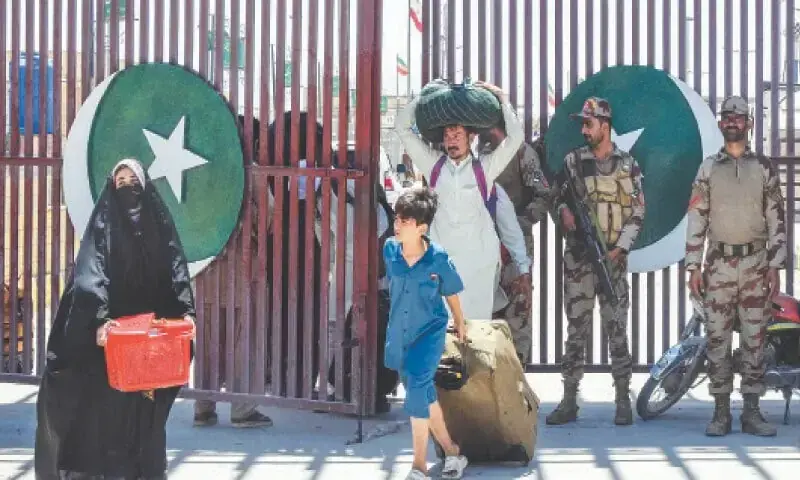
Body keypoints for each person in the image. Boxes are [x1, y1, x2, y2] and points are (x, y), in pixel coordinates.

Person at [35, 159, 197, 479]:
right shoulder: (103, 225)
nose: (127, 187)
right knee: (103, 414)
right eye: (120, 181)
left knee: (145, 415)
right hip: (111, 339)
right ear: (111, 187)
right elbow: (90, 273)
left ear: (145, 186)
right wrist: (99, 320)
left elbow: (174, 267)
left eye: (132, 181)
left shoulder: (159, 223)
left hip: (149, 342)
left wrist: (186, 314)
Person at [686, 95, 786, 437]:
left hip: (757, 264)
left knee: (754, 339)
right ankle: (720, 413)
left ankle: (752, 412)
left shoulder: (764, 168)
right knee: (717, 338)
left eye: (738, 117)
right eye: (727, 117)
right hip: (719, 266)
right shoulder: (708, 168)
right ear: (721, 124)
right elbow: (697, 217)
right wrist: (692, 266)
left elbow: (776, 218)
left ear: (749, 124)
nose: (732, 122)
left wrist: (776, 264)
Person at [545, 97, 645, 426]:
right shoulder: (574, 161)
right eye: (582, 124)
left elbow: (637, 213)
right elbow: (556, 196)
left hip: (613, 261)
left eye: (589, 123)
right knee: (576, 331)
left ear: (605, 125)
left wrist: (621, 248)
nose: (584, 129)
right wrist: (563, 213)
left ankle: (622, 400)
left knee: (617, 330)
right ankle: (570, 399)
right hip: (578, 259)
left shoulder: (628, 164)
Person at [395, 82, 524, 320]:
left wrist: (503, 101)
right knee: (442, 336)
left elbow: (516, 137)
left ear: (471, 137)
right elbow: (401, 127)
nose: (451, 141)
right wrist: (423, 96)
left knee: (476, 336)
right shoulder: (433, 166)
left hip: (479, 268)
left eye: (457, 135)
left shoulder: (484, 169)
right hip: (442, 266)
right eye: (447, 136)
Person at [384, 187, 469, 480]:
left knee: (418, 390)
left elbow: (452, 292)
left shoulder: (438, 259)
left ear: (421, 228)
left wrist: (460, 322)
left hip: (429, 333)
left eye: (404, 221)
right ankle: (453, 451)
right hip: (400, 333)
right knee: (423, 394)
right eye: (396, 218)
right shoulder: (389, 251)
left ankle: (418, 466)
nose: (397, 225)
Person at [194, 114, 273, 428]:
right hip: (242, 269)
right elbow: (267, 217)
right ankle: (242, 409)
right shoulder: (249, 172)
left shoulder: (200, 168)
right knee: (245, 339)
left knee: (209, 338)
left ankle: (203, 406)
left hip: (208, 268)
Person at [481, 126, 554, 363]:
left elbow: (543, 194)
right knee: (484, 313)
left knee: (518, 312)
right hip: (482, 245)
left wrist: (518, 224)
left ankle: (517, 372)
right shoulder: (478, 151)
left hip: (515, 247)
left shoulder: (522, 153)